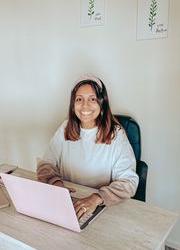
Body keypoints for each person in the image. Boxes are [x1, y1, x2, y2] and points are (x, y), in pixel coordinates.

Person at [37, 75, 138, 222]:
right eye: (79, 99)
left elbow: (129, 182)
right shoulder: (65, 128)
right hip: (69, 203)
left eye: (92, 99)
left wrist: (97, 198)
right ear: (73, 105)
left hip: (101, 206)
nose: (85, 106)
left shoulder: (116, 135)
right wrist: (56, 183)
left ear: (102, 103)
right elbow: (45, 164)